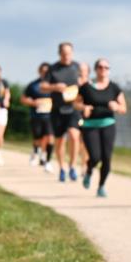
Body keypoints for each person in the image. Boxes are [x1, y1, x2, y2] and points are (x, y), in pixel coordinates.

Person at [74, 58, 127, 198]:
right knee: (95, 156)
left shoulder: (114, 88)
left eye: (106, 67)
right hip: (90, 125)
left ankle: (101, 186)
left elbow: (124, 108)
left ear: (109, 70)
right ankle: (89, 170)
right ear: (96, 69)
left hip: (108, 124)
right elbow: (76, 104)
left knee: (106, 158)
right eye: (100, 67)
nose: (103, 69)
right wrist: (84, 107)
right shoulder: (86, 87)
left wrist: (116, 107)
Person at [40, 42, 83, 183]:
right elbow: (43, 86)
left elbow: (84, 82)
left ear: (72, 53)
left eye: (69, 53)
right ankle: (62, 168)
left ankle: (72, 166)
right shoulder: (53, 69)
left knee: (74, 135)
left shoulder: (77, 67)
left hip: (73, 108)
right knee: (59, 140)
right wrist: (54, 87)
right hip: (57, 109)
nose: (66, 56)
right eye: (64, 53)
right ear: (59, 54)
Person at [21, 63, 55, 171]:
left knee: (50, 137)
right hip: (36, 116)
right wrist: (33, 102)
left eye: (47, 72)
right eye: (43, 71)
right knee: (38, 138)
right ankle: (36, 151)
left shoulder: (53, 85)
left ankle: (47, 160)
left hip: (50, 116)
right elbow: (23, 99)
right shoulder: (33, 85)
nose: (45, 73)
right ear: (39, 71)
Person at [77, 61, 91, 174]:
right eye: (80, 70)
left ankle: (84, 165)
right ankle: (74, 162)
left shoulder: (91, 84)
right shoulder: (73, 84)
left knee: (85, 141)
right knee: (76, 140)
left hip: (87, 116)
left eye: (84, 70)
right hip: (74, 114)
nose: (81, 72)